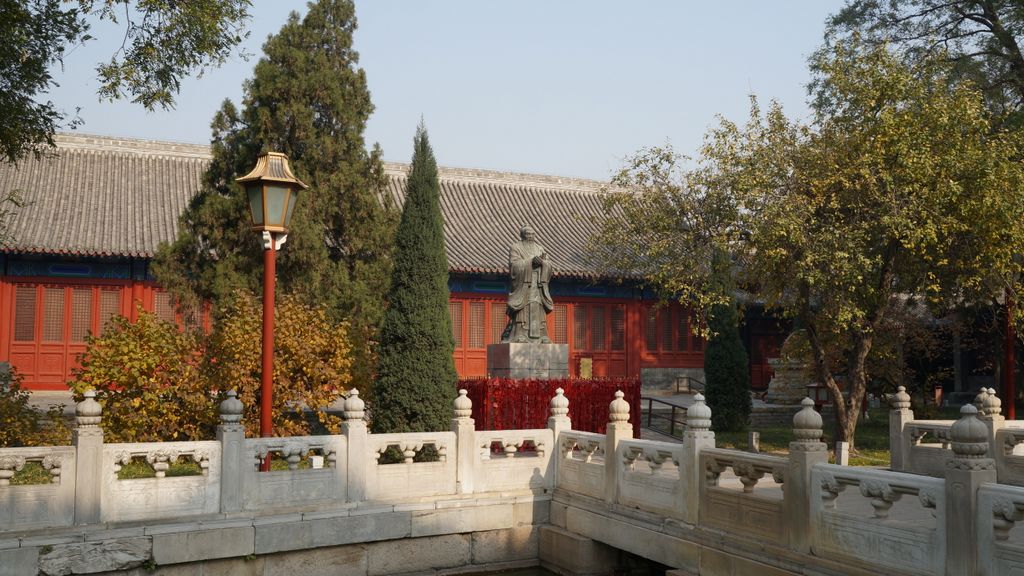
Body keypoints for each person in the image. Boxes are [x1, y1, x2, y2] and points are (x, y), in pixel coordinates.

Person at [502, 225, 554, 343]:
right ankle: (520, 334)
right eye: (528, 234)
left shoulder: (540, 248)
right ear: (522, 235)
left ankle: (542, 335)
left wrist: (543, 264)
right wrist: (530, 262)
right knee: (523, 308)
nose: (530, 236)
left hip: (538, 284)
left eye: (532, 234)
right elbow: (514, 265)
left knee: (539, 307)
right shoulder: (516, 247)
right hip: (524, 284)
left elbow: (549, 265)